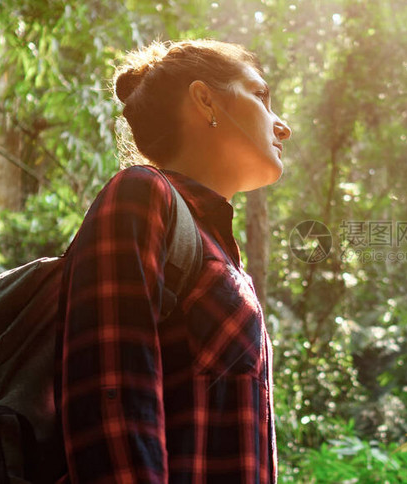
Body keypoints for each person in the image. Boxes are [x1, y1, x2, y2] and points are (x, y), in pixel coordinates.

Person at [56, 39, 291, 483]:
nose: (284, 127)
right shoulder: (142, 195)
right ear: (205, 100)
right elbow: (110, 398)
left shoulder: (221, 252)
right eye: (261, 96)